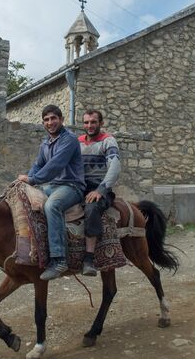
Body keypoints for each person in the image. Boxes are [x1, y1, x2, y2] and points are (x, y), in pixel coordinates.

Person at [18, 104, 85, 281]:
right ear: (43, 123)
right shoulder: (45, 143)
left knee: (52, 205)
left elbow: (56, 165)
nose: (50, 122)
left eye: (53, 118)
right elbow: (38, 164)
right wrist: (27, 179)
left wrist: (33, 180)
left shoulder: (69, 139)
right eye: (46, 119)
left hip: (72, 186)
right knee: (22, 196)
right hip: (54, 185)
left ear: (61, 119)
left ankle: (59, 259)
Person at [78, 109, 121, 276]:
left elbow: (115, 167)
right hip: (79, 188)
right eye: (86, 122)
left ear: (101, 124)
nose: (89, 126)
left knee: (91, 209)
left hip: (100, 189)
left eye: (93, 122)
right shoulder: (78, 142)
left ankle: (89, 259)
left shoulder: (108, 141)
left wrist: (101, 190)